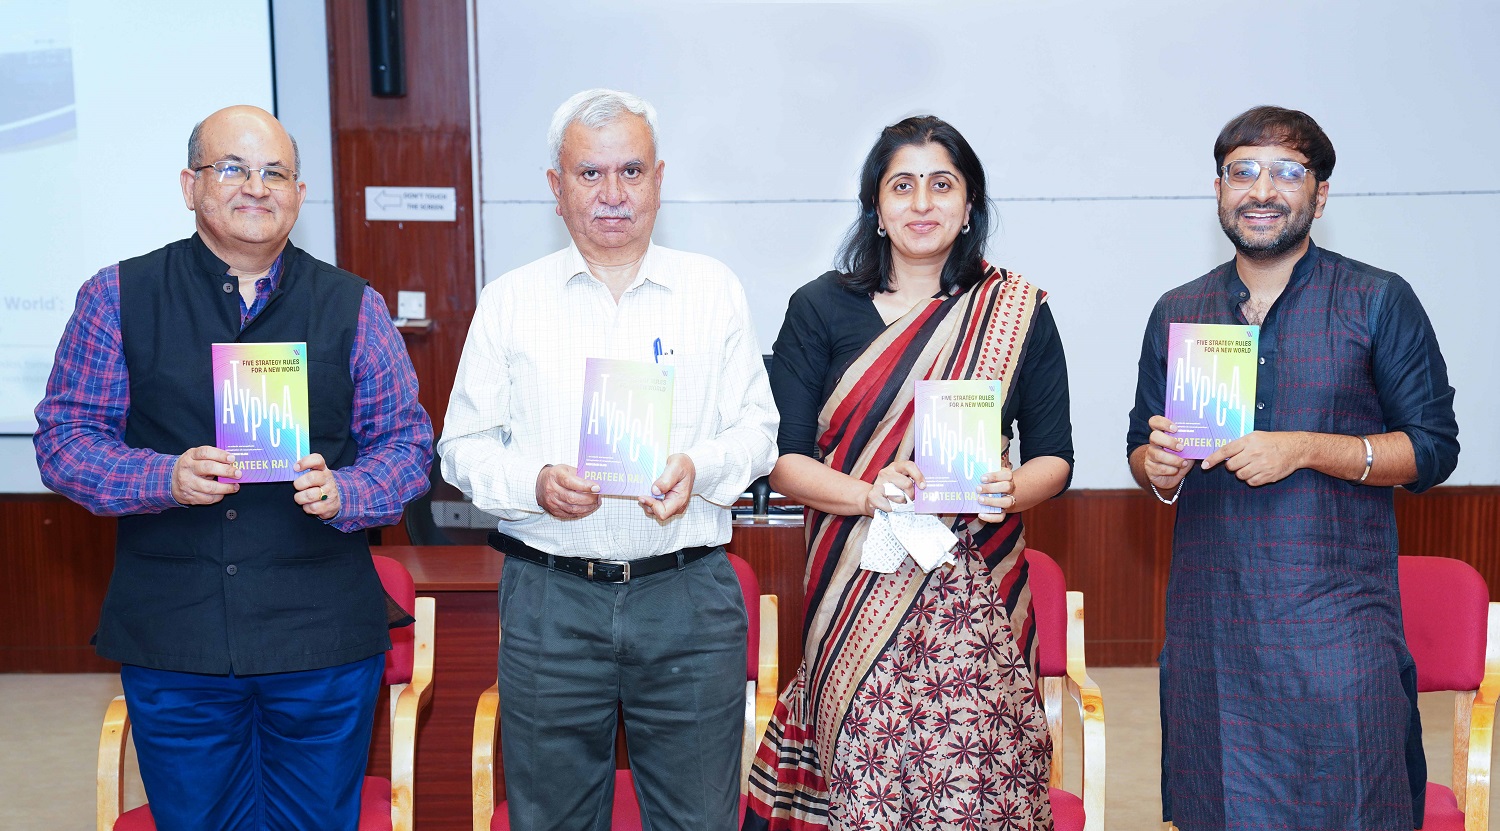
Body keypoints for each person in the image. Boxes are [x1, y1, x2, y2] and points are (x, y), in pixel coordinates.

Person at [33, 105, 433, 829]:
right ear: (190, 186)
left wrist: (348, 489)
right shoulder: (117, 297)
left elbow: (407, 447)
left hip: (321, 642)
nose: (256, 186)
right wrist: (163, 477)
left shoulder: (353, 307)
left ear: (300, 194)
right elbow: (64, 440)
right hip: (175, 639)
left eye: (274, 171)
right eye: (232, 168)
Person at [438, 88, 778, 830]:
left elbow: (759, 430)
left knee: (701, 819)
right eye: (590, 175)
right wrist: (533, 483)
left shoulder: (712, 290)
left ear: (659, 178)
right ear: (556, 190)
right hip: (551, 599)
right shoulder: (509, 302)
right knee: (551, 818)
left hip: (686, 596)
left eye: (631, 171)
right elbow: (460, 447)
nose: (614, 193)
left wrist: (702, 469)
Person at [1127, 105, 1460, 830]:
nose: (1261, 189)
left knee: (1355, 804)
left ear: (1321, 192)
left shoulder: (1378, 300)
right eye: (1242, 171)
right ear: (1218, 189)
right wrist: (1158, 466)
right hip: (1212, 635)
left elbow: (1432, 448)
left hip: (1338, 631)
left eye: (1286, 170)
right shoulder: (1179, 310)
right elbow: (1140, 450)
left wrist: (1304, 447)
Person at [744, 115, 1072, 830]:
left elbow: (1056, 456)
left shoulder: (1015, 312)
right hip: (854, 591)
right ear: (876, 205)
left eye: (942, 184)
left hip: (977, 597)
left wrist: (1012, 488)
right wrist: (868, 492)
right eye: (902, 185)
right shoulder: (819, 308)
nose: (922, 203)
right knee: (867, 794)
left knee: (980, 792)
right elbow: (784, 461)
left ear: (969, 204)